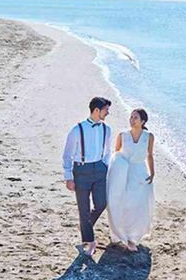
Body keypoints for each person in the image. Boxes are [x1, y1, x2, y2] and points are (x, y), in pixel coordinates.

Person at [62, 97, 112, 256]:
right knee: (83, 209)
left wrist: (104, 165)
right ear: (96, 110)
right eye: (106, 110)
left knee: (101, 203)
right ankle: (90, 241)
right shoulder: (77, 130)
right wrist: (68, 177)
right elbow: (67, 155)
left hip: (99, 170)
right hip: (81, 171)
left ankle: (85, 226)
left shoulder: (107, 129)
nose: (108, 112)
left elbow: (108, 152)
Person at [106, 108, 155, 252]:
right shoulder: (123, 135)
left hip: (140, 174)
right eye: (131, 117)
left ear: (143, 121)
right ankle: (118, 233)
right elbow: (116, 155)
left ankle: (133, 238)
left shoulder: (149, 136)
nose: (132, 119)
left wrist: (152, 173)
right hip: (122, 174)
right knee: (121, 202)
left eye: (135, 117)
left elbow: (150, 155)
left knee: (138, 206)